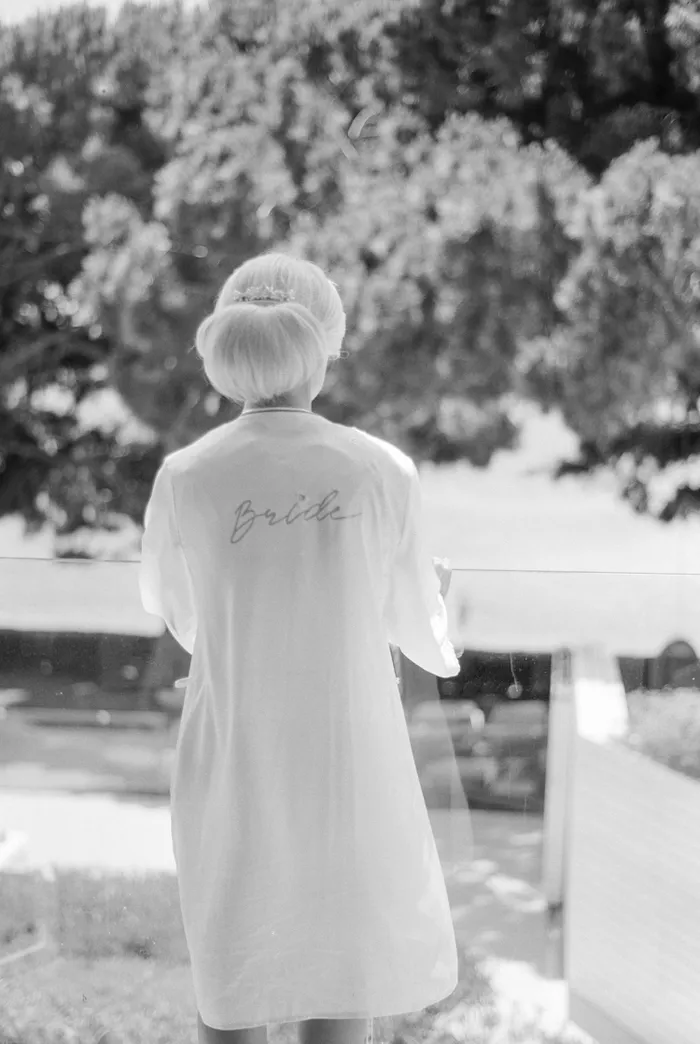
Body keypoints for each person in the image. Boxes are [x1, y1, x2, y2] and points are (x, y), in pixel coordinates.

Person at [139, 252, 462, 1044]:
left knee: (237, 964)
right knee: (343, 978)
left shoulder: (185, 474)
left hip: (233, 746)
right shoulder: (380, 469)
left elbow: (183, 617)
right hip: (349, 753)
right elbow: (420, 632)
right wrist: (428, 595)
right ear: (322, 348)